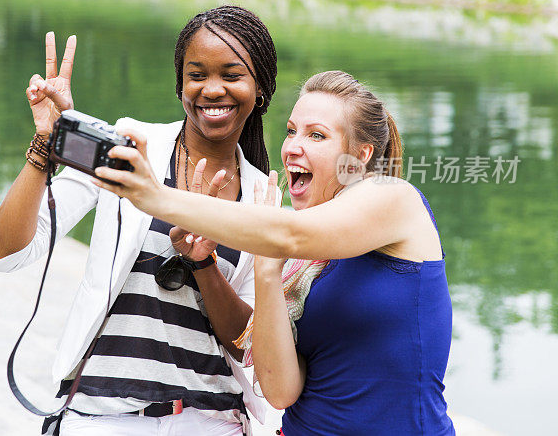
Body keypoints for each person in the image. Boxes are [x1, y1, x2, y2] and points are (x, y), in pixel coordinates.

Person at [93, 70, 456, 435]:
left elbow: (288, 233)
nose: (293, 146)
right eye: (291, 130)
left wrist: (158, 197)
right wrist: (267, 270)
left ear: (359, 157)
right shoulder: (306, 261)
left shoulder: (393, 197)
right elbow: (280, 391)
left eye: (316, 135)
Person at [0, 5, 280, 435]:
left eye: (232, 75)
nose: (212, 90)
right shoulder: (130, 148)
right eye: (197, 75)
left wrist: (204, 265)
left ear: (260, 88)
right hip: (100, 416)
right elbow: (7, 253)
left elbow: (249, 343)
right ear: (180, 84)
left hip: (209, 423)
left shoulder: (262, 200)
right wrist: (45, 144)